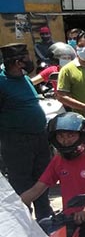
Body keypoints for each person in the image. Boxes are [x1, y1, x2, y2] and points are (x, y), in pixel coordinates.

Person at [0, 43, 54, 220]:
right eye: (26, 58)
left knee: (42, 179)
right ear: (17, 62)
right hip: (17, 141)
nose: (30, 61)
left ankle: (45, 217)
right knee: (22, 182)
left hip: (39, 137)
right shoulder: (2, 82)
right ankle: (24, 221)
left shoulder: (23, 78)